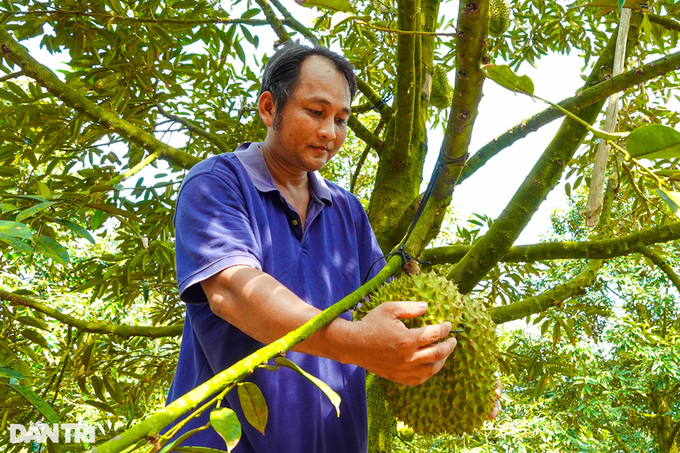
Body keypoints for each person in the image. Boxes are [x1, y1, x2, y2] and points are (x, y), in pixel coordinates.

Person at [163, 43, 481, 452]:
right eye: (316, 112)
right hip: (222, 442)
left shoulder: (347, 210)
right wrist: (356, 343)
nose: (331, 132)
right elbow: (232, 292)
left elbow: (392, 311)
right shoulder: (217, 182)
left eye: (342, 119)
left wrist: (454, 361)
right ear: (268, 108)